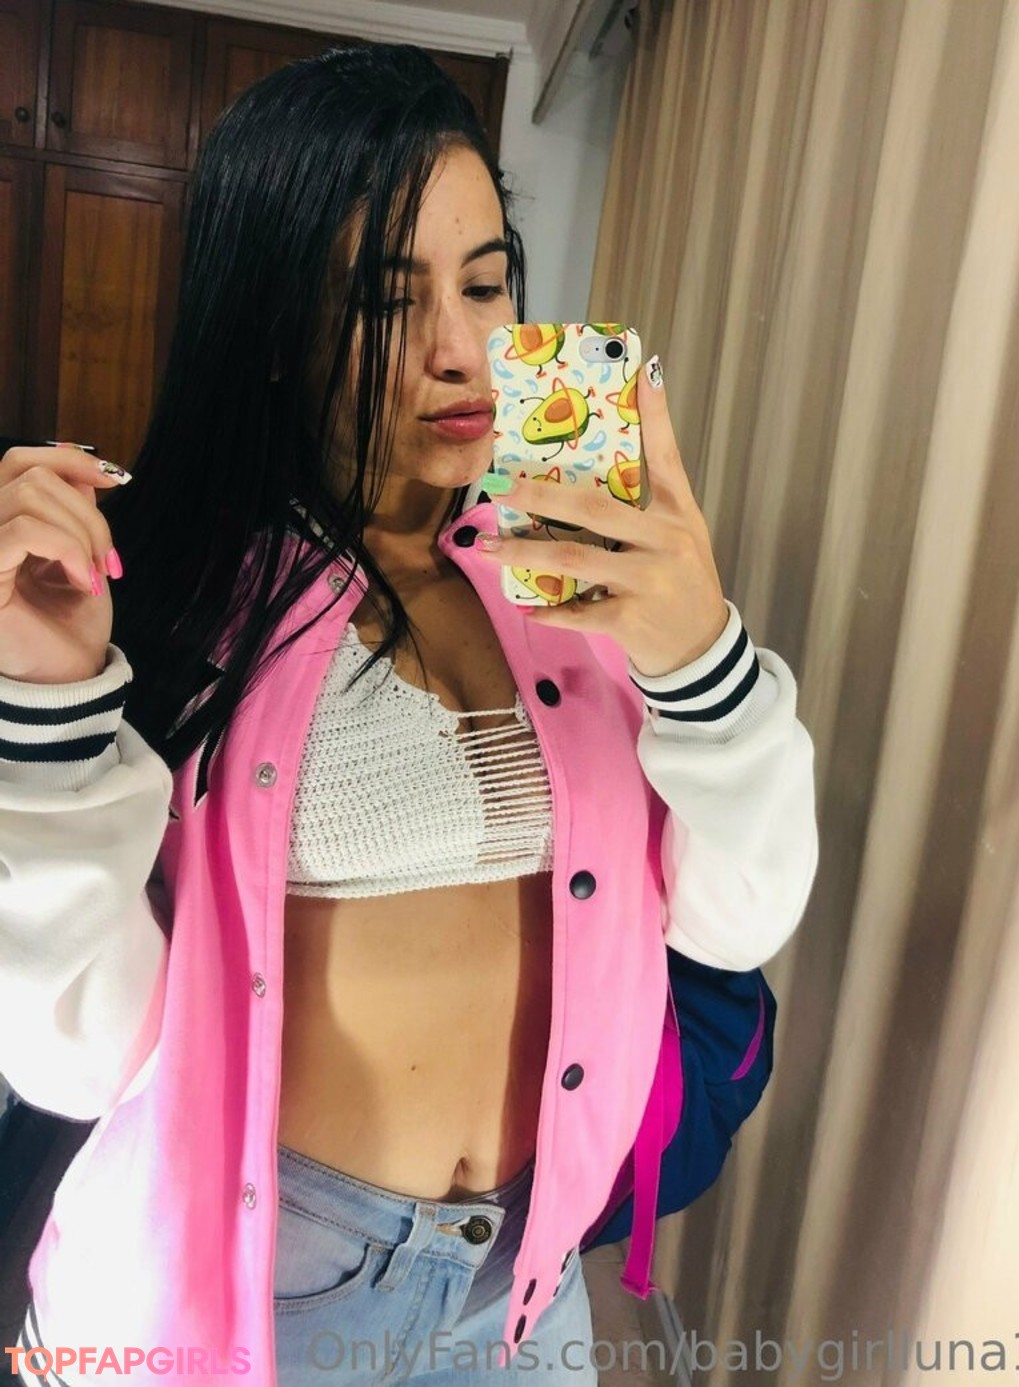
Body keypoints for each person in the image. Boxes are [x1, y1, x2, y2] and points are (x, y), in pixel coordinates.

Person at [0, 41, 818, 1387]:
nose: (459, 351)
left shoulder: (573, 579)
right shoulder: (181, 604)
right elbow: (79, 1058)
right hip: (262, 1286)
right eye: (388, 300)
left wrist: (698, 660)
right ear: (273, 327)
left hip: (521, 1285)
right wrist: (47, 715)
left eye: (486, 284)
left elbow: (733, 923)